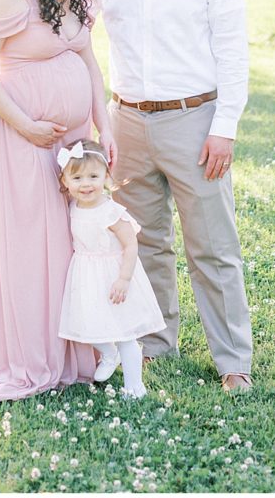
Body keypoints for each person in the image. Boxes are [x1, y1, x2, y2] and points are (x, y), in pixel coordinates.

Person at [94, 0, 253, 392]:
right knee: (141, 241)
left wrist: (224, 127)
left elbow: (232, 51)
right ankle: (156, 341)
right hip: (128, 120)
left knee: (211, 245)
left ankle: (233, 361)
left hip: (195, 119)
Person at [0, 0, 117, 400]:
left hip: (67, 140)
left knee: (69, 243)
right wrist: (25, 124)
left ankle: (71, 352)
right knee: (29, 245)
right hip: (17, 135)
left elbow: (88, 60)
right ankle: (28, 359)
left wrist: (104, 123)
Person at [57, 139, 165, 399]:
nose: (86, 184)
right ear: (65, 182)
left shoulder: (111, 212)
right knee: (86, 324)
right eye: (77, 177)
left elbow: (130, 245)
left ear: (106, 176)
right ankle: (108, 353)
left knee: (126, 334)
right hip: (85, 274)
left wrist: (124, 279)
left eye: (94, 176)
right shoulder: (72, 207)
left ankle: (134, 386)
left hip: (114, 276)